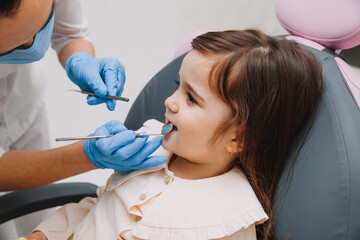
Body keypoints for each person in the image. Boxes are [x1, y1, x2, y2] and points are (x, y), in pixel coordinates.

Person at [25, 29, 323, 240]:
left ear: (239, 138)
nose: (169, 101)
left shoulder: (230, 219)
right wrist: (45, 234)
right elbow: (98, 208)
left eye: (191, 98)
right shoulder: (147, 150)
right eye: (178, 85)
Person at [0, 0, 165, 192]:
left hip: (24, 102)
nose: (34, 44)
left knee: (37, 210)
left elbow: (68, 32)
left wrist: (80, 58)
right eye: (18, 44)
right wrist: (86, 156)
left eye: (42, 25)